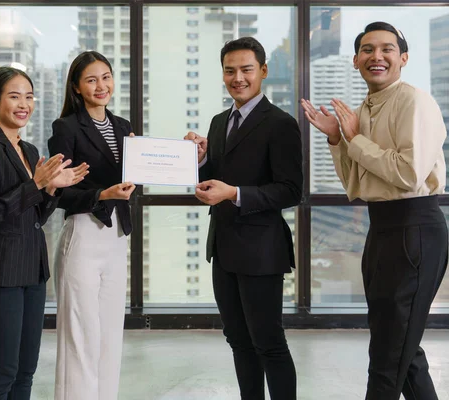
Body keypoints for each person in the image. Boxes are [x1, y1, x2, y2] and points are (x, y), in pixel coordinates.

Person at [301, 21, 448, 400]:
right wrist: (338, 138)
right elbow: (356, 185)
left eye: (386, 49)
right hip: (381, 229)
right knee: (400, 346)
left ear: (403, 57)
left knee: (387, 354)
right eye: (367, 49)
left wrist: (356, 138)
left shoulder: (414, 101)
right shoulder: (364, 109)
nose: (376, 56)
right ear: (355, 60)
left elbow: (408, 173)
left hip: (414, 230)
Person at [184, 37, 302, 400]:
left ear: (263, 72)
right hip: (224, 246)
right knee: (238, 340)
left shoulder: (280, 124)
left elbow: (290, 190)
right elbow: (218, 175)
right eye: (230, 70)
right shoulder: (220, 122)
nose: (238, 77)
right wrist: (202, 159)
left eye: (246, 70)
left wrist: (234, 193)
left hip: (262, 250)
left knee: (268, 341)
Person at [0, 66, 88, 399]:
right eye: (14, 96)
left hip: (33, 272)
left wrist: (50, 191)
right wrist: (35, 184)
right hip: (1, 273)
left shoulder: (31, 151)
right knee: (3, 370)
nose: (24, 104)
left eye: (29, 96)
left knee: (26, 371)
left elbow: (38, 216)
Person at [48, 51, 136, 400]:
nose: (102, 85)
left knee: (110, 332)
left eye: (106, 76)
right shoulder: (66, 128)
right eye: (91, 79)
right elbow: (60, 193)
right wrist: (102, 194)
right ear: (77, 87)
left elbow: (134, 178)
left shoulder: (124, 127)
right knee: (81, 334)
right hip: (84, 232)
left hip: (117, 236)